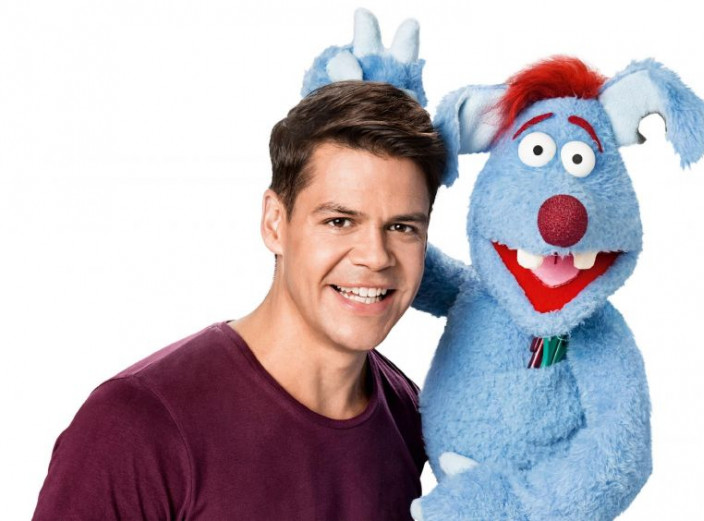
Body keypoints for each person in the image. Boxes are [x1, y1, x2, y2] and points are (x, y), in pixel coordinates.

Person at [32, 81, 447, 520]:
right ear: (275, 223)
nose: (375, 257)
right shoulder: (136, 424)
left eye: (402, 228)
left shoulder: (408, 416)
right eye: (340, 221)